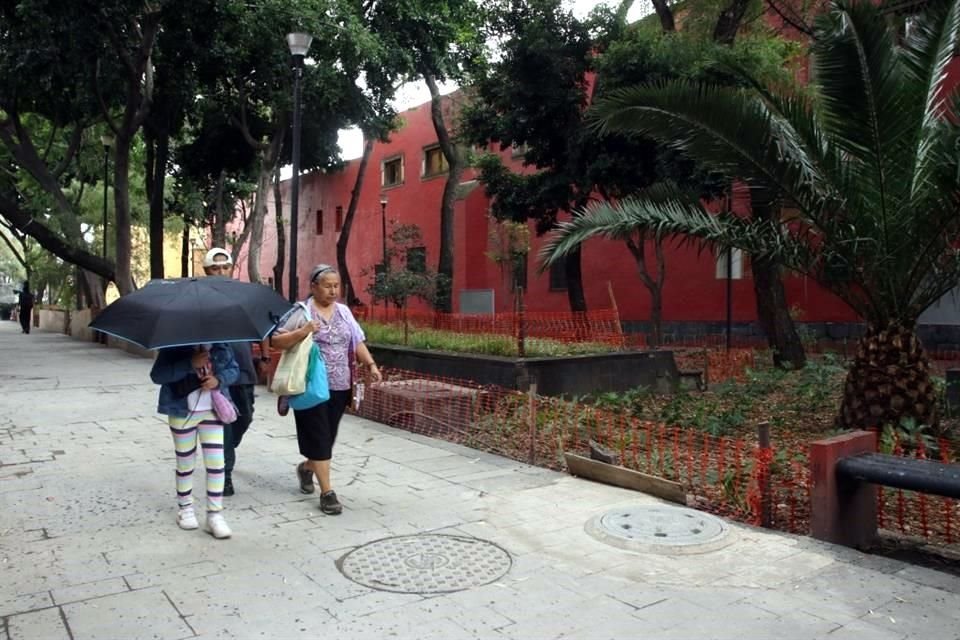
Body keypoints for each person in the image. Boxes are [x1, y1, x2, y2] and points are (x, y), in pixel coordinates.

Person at [270, 264, 382, 515]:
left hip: (340, 385)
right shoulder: (302, 312)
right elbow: (276, 340)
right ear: (314, 287)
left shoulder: (343, 312)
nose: (333, 290)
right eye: (327, 285)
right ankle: (327, 493)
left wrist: (371, 364)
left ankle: (307, 468)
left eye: (336, 286)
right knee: (320, 438)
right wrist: (303, 331)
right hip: (309, 386)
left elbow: (357, 341)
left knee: (327, 439)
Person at [150, 342, 239, 539]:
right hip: (181, 411)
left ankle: (214, 515)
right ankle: (185, 508)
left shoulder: (221, 344)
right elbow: (158, 375)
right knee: (185, 462)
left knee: (216, 464)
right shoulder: (173, 344)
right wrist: (189, 364)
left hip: (213, 410)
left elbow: (234, 369)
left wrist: (219, 380)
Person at [201, 248, 270, 497]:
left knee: (245, 417)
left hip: (243, 367)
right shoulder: (201, 299)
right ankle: (226, 473)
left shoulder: (243, 297)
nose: (220, 272)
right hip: (216, 372)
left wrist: (264, 357)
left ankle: (227, 450)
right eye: (215, 268)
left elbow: (262, 327)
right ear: (206, 271)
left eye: (224, 267)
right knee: (224, 424)